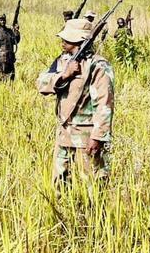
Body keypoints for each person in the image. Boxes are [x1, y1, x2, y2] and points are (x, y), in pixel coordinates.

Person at [37, 18, 114, 185]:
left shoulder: (99, 66)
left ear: (80, 41)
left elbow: (104, 104)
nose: (62, 42)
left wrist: (98, 137)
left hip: (87, 136)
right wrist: (64, 75)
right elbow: (41, 83)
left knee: (93, 185)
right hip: (64, 133)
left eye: (68, 38)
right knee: (59, 183)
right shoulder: (62, 61)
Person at [0, 14, 20, 82]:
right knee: (2, 78)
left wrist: (16, 31)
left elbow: (16, 41)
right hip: (2, 59)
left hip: (10, 58)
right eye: (1, 20)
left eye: (4, 20)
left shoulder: (10, 31)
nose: (3, 21)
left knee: (12, 76)